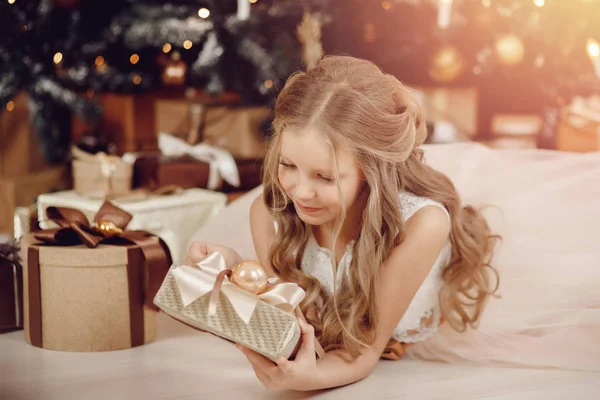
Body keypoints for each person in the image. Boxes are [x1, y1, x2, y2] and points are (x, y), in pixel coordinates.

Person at [186, 55, 499, 391]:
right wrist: (240, 275)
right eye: (288, 164)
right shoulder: (271, 213)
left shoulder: (422, 224)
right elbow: (293, 322)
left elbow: (365, 348)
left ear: (372, 170)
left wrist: (312, 378)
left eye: (325, 176)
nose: (301, 192)